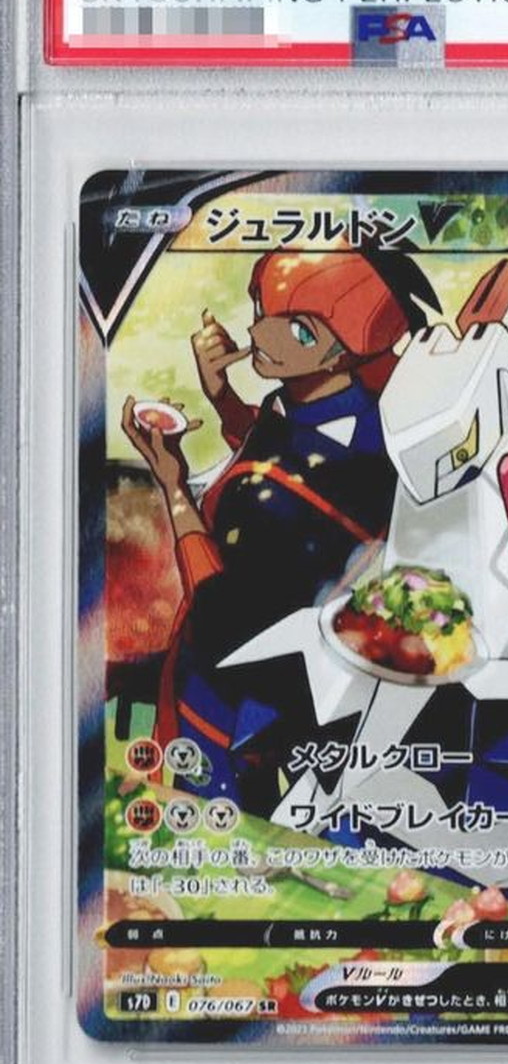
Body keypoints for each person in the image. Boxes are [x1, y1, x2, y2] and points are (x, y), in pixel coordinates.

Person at [121, 237, 439, 813]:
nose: (258, 334)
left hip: (245, 704)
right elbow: (284, 446)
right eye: (262, 311)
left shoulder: (356, 469)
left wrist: (173, 486)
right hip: (273, 687)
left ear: (346, 352)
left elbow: (223, 607)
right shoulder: (331, 412)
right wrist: (224, 399)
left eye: (298, 330)